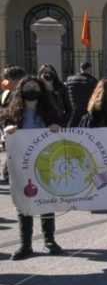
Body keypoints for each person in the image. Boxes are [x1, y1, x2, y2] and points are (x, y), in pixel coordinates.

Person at [2, 76, 62, 260]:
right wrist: (8, 130)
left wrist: (56, 127)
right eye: (28, 86)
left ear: (41, 91)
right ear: (20, 90)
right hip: (20, 163)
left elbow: (61, 128)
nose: (31, 89)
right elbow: (4, 133)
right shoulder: (11, 113)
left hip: (45, 162)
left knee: (46, 200)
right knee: (23, 203)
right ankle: (25, 245)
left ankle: (49, 240)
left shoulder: (50, 112)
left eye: (35, 86)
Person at [66, 62, 98, 127]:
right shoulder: (92, 80)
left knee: (72, 131)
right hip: (86, 111)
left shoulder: (69, 79)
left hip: (73, 110)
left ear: (80, 68)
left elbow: (66, 93)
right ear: (89, 69)